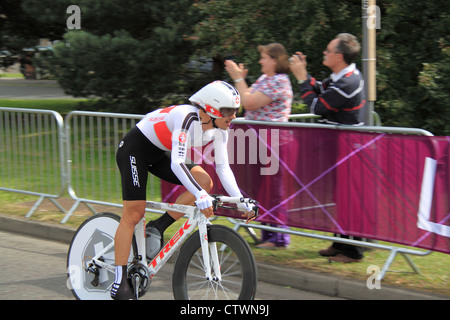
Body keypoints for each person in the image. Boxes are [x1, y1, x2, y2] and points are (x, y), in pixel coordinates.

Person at [112, 81, 257, 299]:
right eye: (228, 110)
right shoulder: (187, 117)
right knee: (133, 214)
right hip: (135, 151)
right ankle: (118, 280)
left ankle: (158, 227)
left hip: (160, 152)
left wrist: (240, 200)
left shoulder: (220, 129)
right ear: (210, 108)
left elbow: (223, 167)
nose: (233, 116)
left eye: (235, 111)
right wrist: (200, 196)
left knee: (204, 181)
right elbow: (177, 164)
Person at [290, 33, 366, 262]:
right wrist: (306, 75)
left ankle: (353, 251)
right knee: (339, 196)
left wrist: (302, 78)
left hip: (347, 149)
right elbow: (322, 89)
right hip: (338, 148)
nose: (324, 53)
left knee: (347, 198)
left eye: (328, 50)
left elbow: (316, 106)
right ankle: (340, 243)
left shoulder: (348, 81)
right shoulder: (341, 76)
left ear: (339, 56)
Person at [225, 43, 293, 249]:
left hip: (274, 141)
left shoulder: (279, 81)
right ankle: (267, 235)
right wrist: (241, 82)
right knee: (262, 189)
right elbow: (241, 98)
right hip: (259, 140)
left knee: (274, 190)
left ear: (275, 60)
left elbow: (250, 102)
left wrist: (239, 79)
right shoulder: (266, 79)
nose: (261, 61)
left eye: (264, 57)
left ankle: (279, 238)